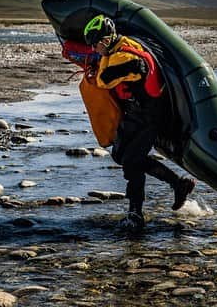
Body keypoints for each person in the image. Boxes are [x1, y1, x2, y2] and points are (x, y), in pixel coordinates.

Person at [83, 14, 196, 231]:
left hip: (150, 116)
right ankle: (179, 184)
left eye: (95, 45)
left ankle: (135, 213)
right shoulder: (122, 45)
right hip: (135, 113)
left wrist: (102, 63)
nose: (94, 50)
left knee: (132, 162)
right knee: (119, 155)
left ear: (106, 41)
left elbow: (103, 80)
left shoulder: (125, 58)